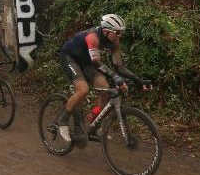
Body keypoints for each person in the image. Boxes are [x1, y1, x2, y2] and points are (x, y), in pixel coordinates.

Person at [55, 14, 151, 145]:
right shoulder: (92, 37)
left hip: (87, 62)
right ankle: (63, 119)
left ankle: (94, 125)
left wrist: (139, 80)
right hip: (70, 58)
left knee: (105, 88)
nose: (120, 36)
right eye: (117, 33)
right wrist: (115, 77)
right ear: (106, 31)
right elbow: (96, 62)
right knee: (83, 90)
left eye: (122, 33)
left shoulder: (115, 41)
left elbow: (119, 65)